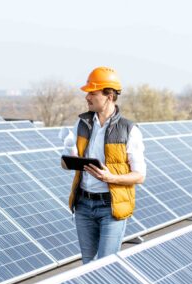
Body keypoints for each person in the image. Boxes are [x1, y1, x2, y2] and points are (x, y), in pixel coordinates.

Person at [61, 66, 146, 264]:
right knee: (88, 265)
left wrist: (111, 178)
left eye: (93, 92)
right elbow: (67, 163)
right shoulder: (81, 123)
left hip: (111, 207)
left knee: (106, 265)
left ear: (109, 95)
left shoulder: (129, 130)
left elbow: (139, 175)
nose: (87, 97)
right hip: (83, 205)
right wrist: (69, 159)